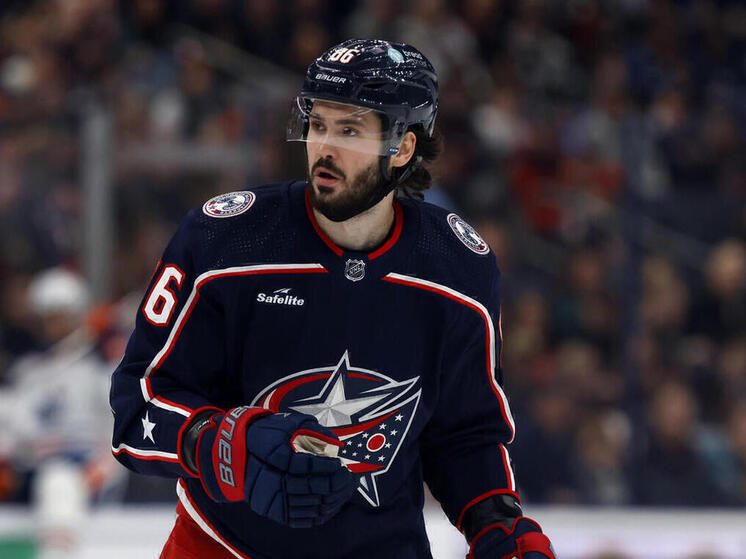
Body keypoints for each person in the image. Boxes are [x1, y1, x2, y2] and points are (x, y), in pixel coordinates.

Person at [110, 38, 555, 559]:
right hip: (221, 547)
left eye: (349, 130)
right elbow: (137, 407)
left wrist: (495, 525)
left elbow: (464, 435)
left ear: (402, 148)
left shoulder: (457, 269)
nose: (323, 147)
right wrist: (220, 444)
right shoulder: (224, 242)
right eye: (317, 124)